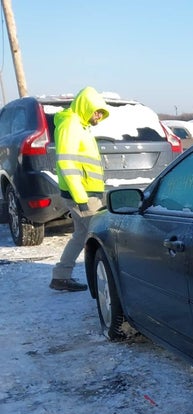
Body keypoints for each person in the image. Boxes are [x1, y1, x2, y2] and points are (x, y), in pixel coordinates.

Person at [49, 87, 109, 292]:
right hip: (81, 195)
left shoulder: (80, 126)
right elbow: (67, 163)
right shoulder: (70, 125)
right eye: (97, 111)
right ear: (86, 106)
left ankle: (61, 276)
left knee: (81, 235)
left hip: (86, 193)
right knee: (101, 237)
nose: (99, 116)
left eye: (102, 112)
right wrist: (80, 196)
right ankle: (105, 282)